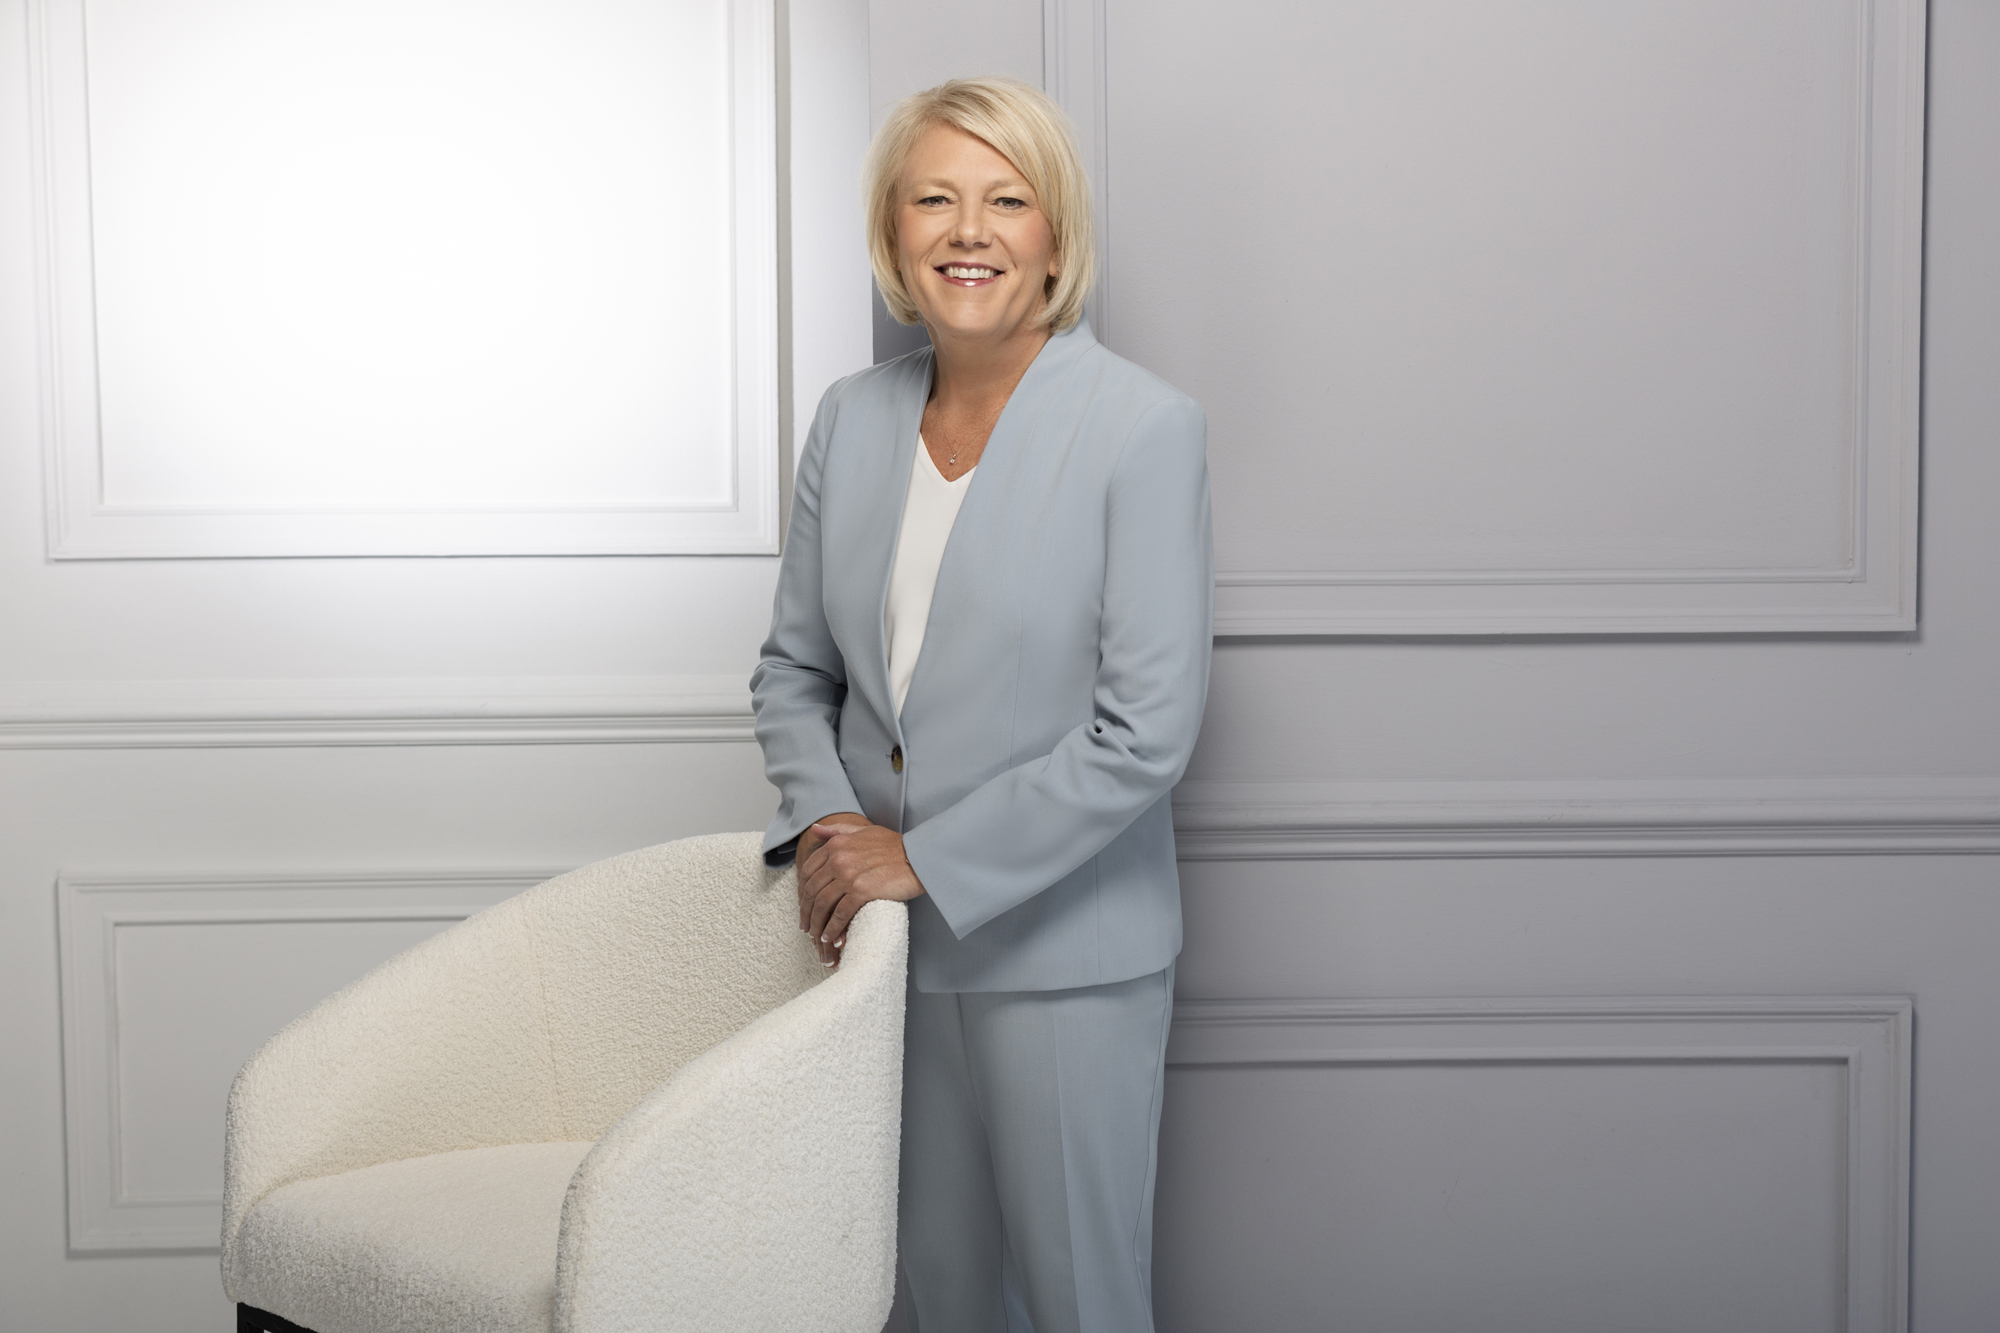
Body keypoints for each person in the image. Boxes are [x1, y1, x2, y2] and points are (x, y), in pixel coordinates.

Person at [750, 75, 1212, 1333]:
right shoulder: (849, 420)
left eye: (1006, 201)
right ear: (891, 232)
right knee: (935, 1296)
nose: (968, 231)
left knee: (1080, 1303)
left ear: (1054, 236)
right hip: (881, 958)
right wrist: (839, 840)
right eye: (933, 201)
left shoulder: (1141, 430)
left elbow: (1145, 731)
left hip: (1066, 962)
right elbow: (792, 671)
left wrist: (920, 858)